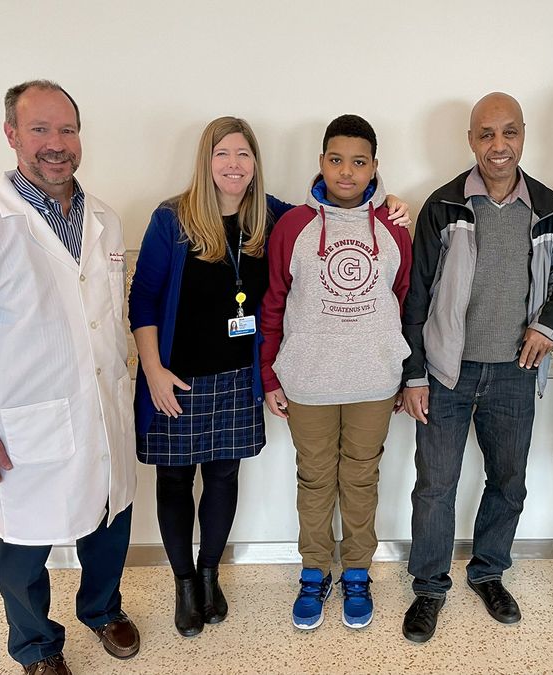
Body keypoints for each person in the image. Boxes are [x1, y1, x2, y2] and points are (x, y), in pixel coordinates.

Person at [128, 116, 412, 638]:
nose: (233, 165)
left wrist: (392, 206)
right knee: (174, 481)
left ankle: (212, 576)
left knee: (223, 479)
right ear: (206, 161)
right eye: (222, 154)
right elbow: (143, 298)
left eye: (243, 155)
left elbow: (375, 261)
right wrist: (153, 371)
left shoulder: (272, 218)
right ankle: (186, 584)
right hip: (178, 376)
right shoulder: (173, 219)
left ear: (255, 164)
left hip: (237, 377)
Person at [0, 80, 139, 675]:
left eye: (67, 129)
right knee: (24, 550)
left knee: (109, 519)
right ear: (12, 135)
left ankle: (101, 609)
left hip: (102, 407)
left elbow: (108, 317)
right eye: (40, 129)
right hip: (24, 423)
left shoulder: (104, 219)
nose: (57, 143)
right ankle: (36, 645)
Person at [399, 93, 553, 643]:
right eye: (486, 134)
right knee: (435, 486)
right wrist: (413, 374)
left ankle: (488, 573)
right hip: (445, 374)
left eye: (508, 133)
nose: (498, 146)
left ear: (524, 135)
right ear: (471, 140)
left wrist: (546, 326)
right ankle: (429, 589)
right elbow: (415, 295)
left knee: (509, 482)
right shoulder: (443, 206)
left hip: (513, 373)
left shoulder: (549, 208)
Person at [260, 114, 413, 632]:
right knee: (315, 479)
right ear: (321, 162)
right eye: (336, 160)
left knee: (362, 478)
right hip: (308, 381)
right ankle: (312, 571)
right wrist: (270, 376)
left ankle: (356, 573)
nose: (346, 172)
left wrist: (399, 367)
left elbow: (403, 298)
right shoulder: (293, 227)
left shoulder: (394, 228)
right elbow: (275, 304)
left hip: (373, 381)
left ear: (374, 167)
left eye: (359, 162)